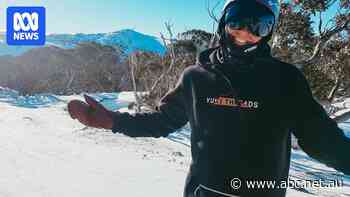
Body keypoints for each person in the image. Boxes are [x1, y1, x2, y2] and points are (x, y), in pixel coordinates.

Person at [67, 0, 350, 196]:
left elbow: (321, 139)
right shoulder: (196, 78)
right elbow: (162, 121)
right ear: (224, 23)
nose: (246, 34)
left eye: (259, 26)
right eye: (238, 21)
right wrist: (113, 121)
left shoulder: (285, 80)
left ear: (269, 32)